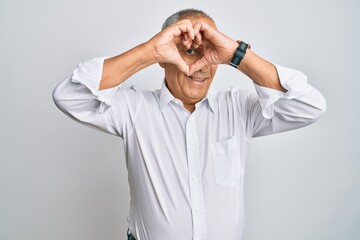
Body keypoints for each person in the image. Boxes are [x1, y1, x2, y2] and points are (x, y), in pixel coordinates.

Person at [53, 8, 326, 240]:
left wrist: (236, 53)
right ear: (164, 59)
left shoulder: (240, 108)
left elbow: (310, 106)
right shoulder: (133, 109)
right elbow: (69, 96)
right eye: (191, 51)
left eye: (213, 53)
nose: (203, 65)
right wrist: (150, 51)